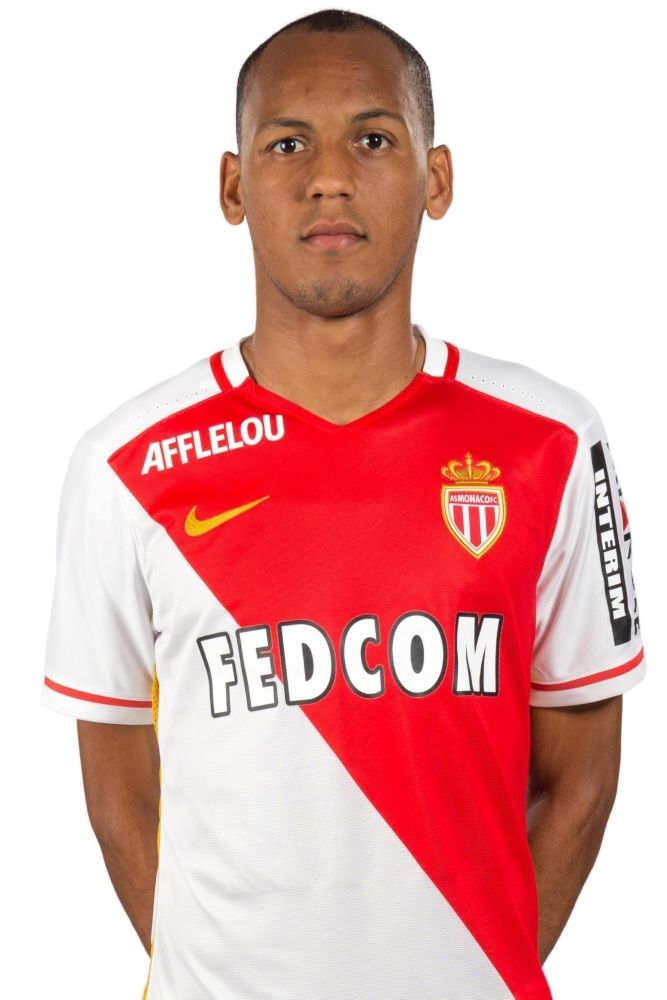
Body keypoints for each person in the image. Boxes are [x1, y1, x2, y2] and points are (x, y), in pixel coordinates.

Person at [40, 8, 646, 1000]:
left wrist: (475, 973)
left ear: (435, 178)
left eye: (372, 139)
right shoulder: (124, 465)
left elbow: (580, 777)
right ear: (232, 186)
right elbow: (116, 786)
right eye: (287, 144)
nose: (329, 177)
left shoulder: (551, 441)